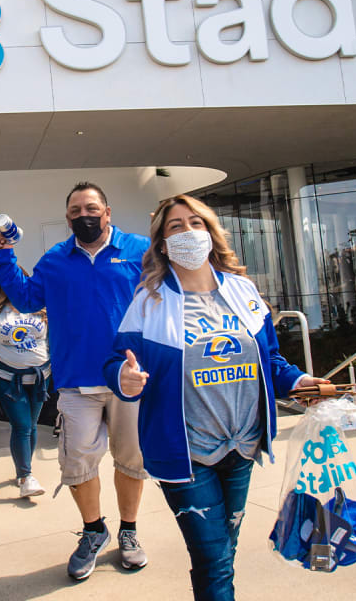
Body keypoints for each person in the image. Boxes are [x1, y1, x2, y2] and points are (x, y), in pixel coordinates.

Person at [103, 195, 326, 601]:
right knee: (212, 559)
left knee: (225, 548)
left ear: (210, 232)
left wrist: (301, 383)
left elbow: (271, 360)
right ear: (162, 244)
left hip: (241, 448)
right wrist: (126, 377)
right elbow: (117, 363)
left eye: (196, 222)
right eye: (175, 226)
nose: (188, 232)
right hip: (186, 455)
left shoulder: (242, 291)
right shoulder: (150, 302)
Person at [0, 181, 150, 580]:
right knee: (78, 463)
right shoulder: (54, 260)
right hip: (76, 381)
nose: (85, 215)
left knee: (131, 461)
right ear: (68, 218)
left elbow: (169, 293)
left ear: (108, 212)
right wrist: (3, 258)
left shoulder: (138, 250)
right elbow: (28, 300)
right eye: (76, 210)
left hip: (129, 380)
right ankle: (94, 531)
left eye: (92, 208)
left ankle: (128, 533)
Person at [0, 277, 51, 498]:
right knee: (22, 426)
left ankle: (23, 472)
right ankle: (27, 477)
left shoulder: (40, 307)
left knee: (31, 426)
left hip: (40, 378)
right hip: (7, 380)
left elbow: (52, 341)